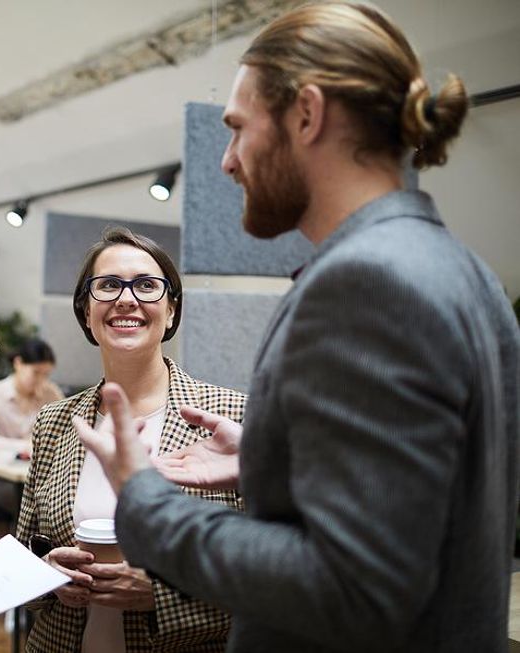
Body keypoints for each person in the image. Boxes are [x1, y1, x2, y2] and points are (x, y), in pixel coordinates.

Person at [76, 4, 520, 653]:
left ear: (306, 114)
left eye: (236, 129)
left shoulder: (367, 280)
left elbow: (353, 588)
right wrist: (269, 459)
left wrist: (146, 502)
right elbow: (423, 512)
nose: (226, 161)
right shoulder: (465, 270)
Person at [16, 227, 248, 652]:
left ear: (172, 311)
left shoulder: (233, 416)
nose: (126, 299)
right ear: (86, 312)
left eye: (146, 285)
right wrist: (48, 576)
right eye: (107, 286)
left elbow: (277, 580)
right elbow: (22, 562)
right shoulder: (54, 420)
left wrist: (163, 596)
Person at [0, 338, 63, 459]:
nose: (41, 380)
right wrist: (26, 446)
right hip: (2, 469)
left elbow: (67, 431)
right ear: (18, 363)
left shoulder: (50, 393)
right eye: (36, 372)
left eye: (46, 374)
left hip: (41, 470)